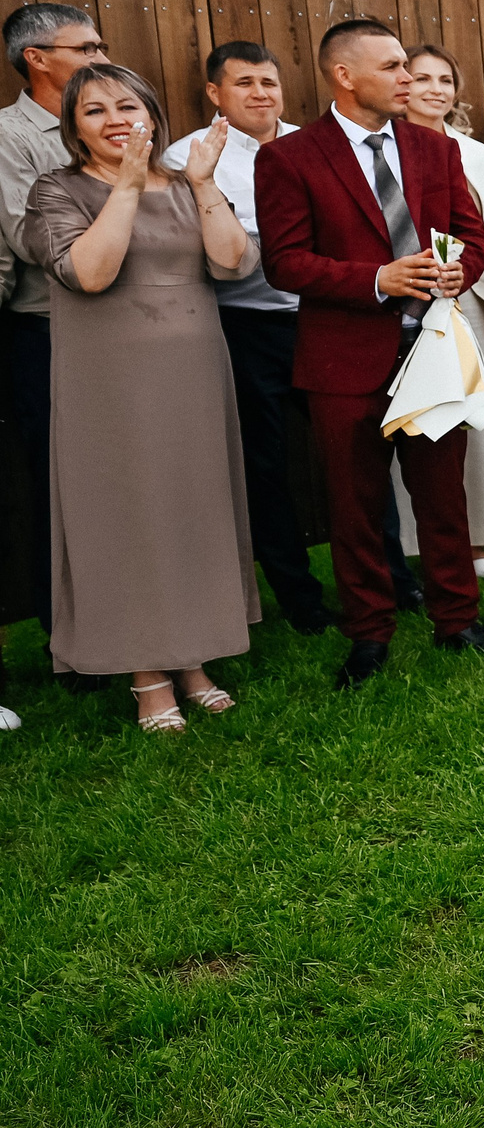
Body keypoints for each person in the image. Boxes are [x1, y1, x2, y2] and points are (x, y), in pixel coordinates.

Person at [255, 17, 484, 684]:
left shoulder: (435, 149)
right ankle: (368, 634)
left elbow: (469, 234)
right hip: (343, 362)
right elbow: (284, 263)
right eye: (394, 66)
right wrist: (375, 279)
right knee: (355, 505)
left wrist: (463, 269)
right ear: (344, 75)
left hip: (431, 347)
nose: (408, 78)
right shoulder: (289, 157)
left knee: (443, 498)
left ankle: (459, 621)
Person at [31, 63, 259, 726]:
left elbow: (232, 261)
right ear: (74, 126)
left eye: (127, 106)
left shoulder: (187, 184)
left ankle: (191, 654)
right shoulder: (59, 190)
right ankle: (146, 672)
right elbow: (90, 273)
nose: (115, 121)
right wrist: (127, 186)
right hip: (110, 383)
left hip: (193, 372)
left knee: (191, 504)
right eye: (94, 110)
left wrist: (206, 181)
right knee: (131, 514)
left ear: (153, 116)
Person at [162, 42, 332, 636]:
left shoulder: (316, 143)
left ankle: (389, 577)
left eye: (269, 81)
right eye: (244, 83)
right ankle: (300, 599)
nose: (261, 93)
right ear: (215, 94)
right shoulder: (189, 156)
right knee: (266, 466)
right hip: (246, 326)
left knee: (353, 448)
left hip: (322, 318)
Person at [0, 2, 98, 639]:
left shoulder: (115, 120)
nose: (100, 60)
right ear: (36, 58)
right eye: (85, 49)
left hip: (126, 330)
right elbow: (30, 237)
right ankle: (69, 632)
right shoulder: (8, 136)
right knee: (61, 489)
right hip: (48, 335)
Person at [399, 45, 484, 574]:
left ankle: (479, 538)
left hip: (471, 293)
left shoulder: (477, 154)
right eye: (422, 78)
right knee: (421, 419)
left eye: (445, 80)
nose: (435, 89)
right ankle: (417, 542)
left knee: (476, 421)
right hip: (410, 293)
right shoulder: (387, 149)